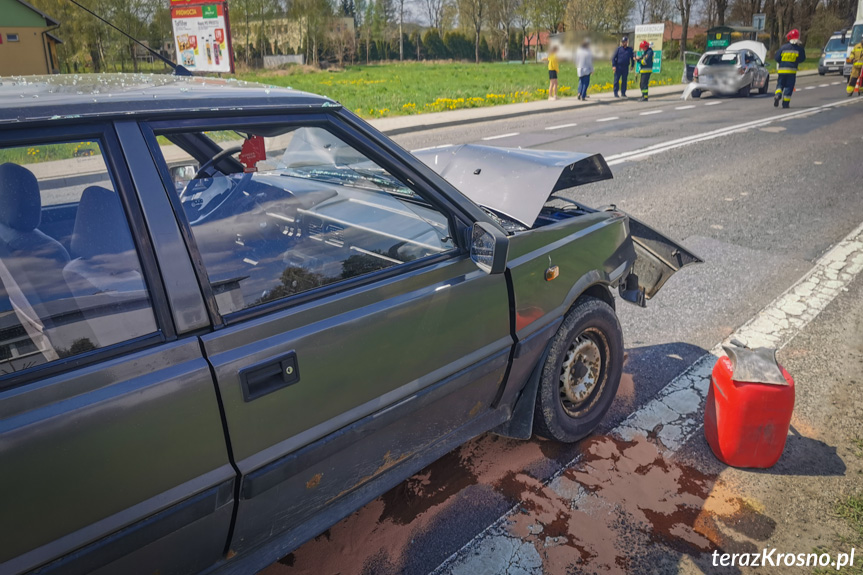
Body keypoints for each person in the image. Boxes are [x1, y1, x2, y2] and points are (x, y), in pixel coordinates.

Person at [774, 29, 806, 108]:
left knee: (780, 85)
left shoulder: (783, 47)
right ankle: (785, 104)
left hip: (782, 71)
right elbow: (802, 58)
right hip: (791, 72)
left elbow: (777, 58)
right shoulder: (799, 49)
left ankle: (778, 95)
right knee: (788, 87)